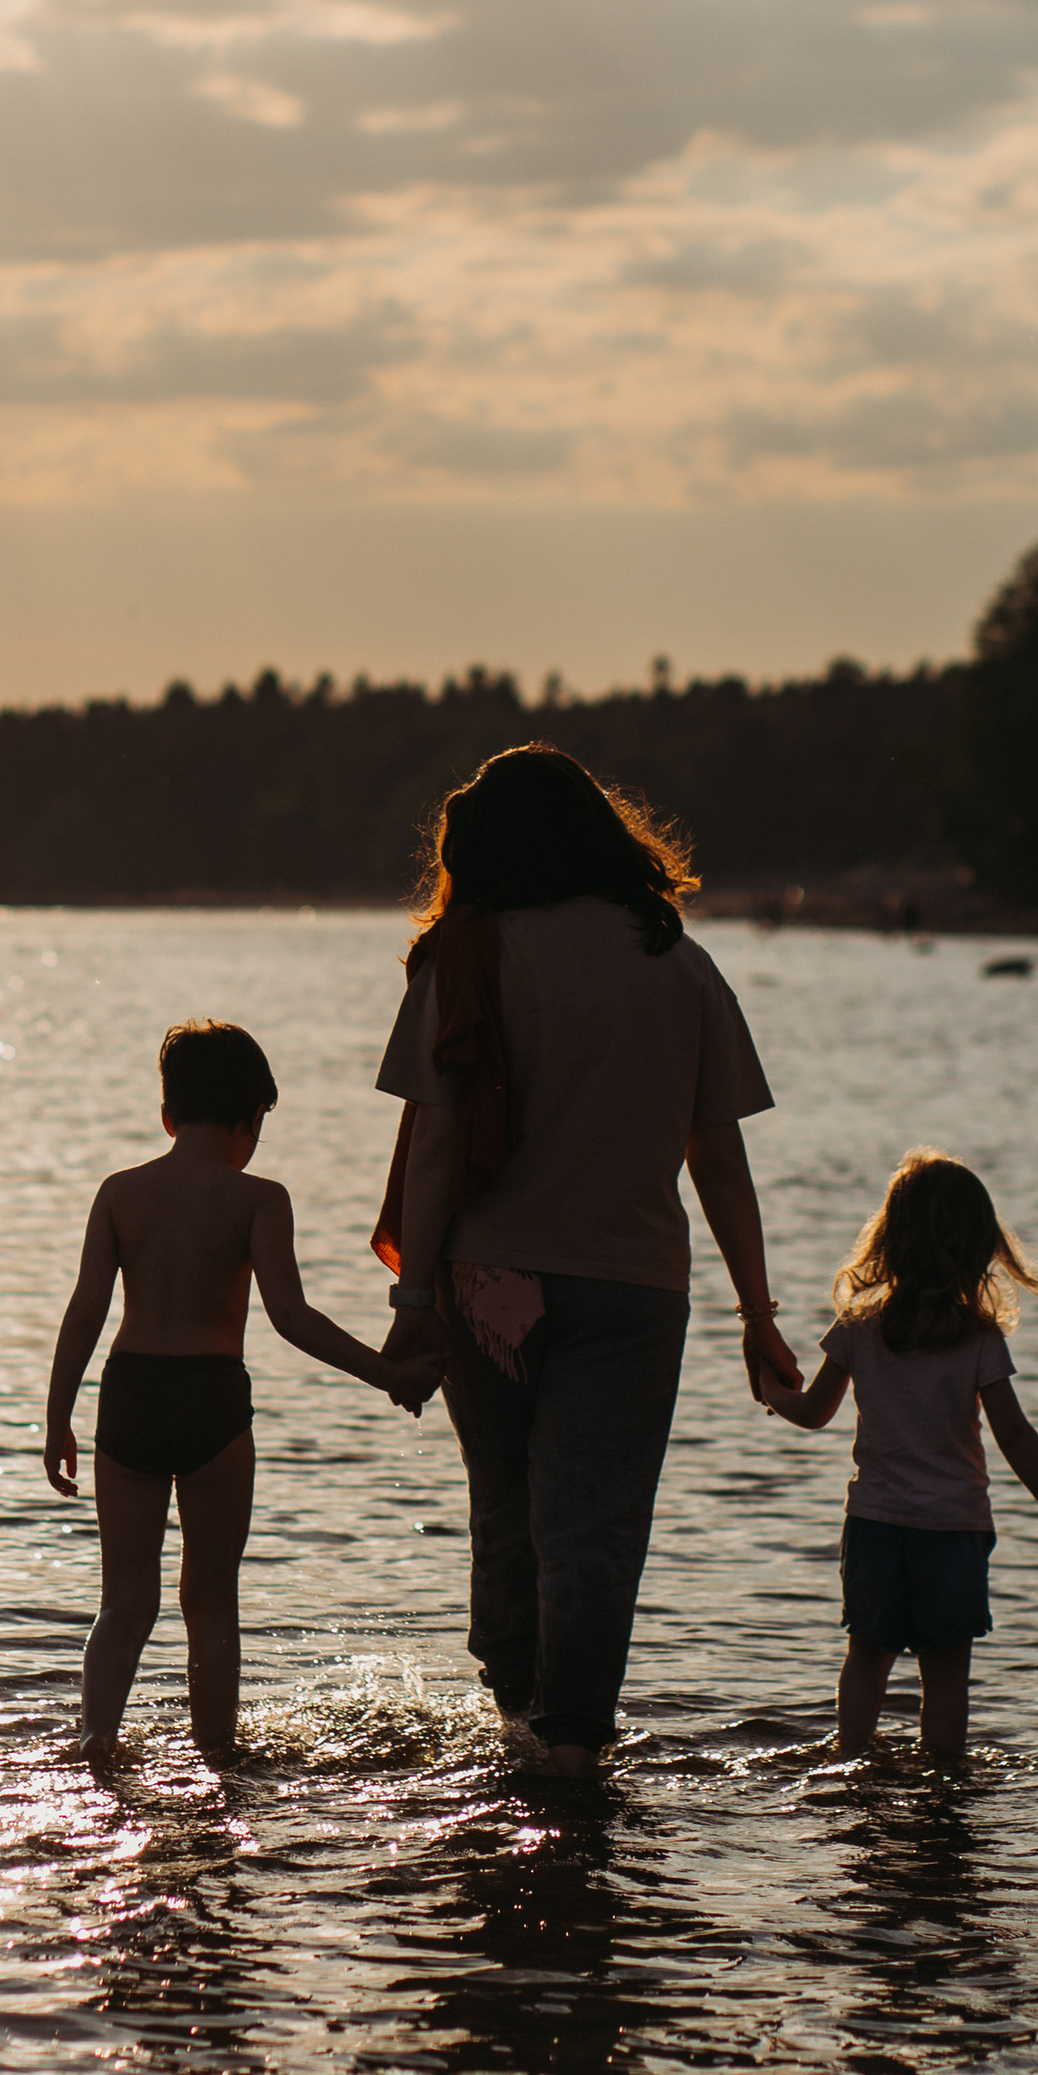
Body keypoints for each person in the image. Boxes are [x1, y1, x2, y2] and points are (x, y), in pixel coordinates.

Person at [375, 742, 801, 1774]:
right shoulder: (678, 962)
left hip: (488, 1285)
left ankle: (512, 1716)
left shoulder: (464, 959)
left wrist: (416, 1293)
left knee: (507, 1507)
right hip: (633, 1284)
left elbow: (433, 1143)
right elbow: (718, 1152)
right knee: (593, 1521)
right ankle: (572, 1741)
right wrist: (756, 1310)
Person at [44, 1017, 430, 1768]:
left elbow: (85, 1309)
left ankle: (95, 1743)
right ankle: (216, 1755)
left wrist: (58, 1417)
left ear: (167, 1113)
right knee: (210, 1602)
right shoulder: (259, 1199)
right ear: (252, 1118)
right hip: (212, 1396)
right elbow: (291, 1318)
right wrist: (387, 1374)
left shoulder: (121, 1193)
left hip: (130, 1394)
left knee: (123, 1602)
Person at [764, 1148, 1038, 1762]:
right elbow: (1016, 1436)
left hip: (874, 1525)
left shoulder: (858, 1327)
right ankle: (945, 1784)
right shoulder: (977, 1338)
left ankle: (850, 1764)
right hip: (952, 1530)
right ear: (978, 1247)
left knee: (867, 1656)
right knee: (946, 1673)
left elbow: (814, 1413)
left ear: (891, 1238)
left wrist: (770, 1391)